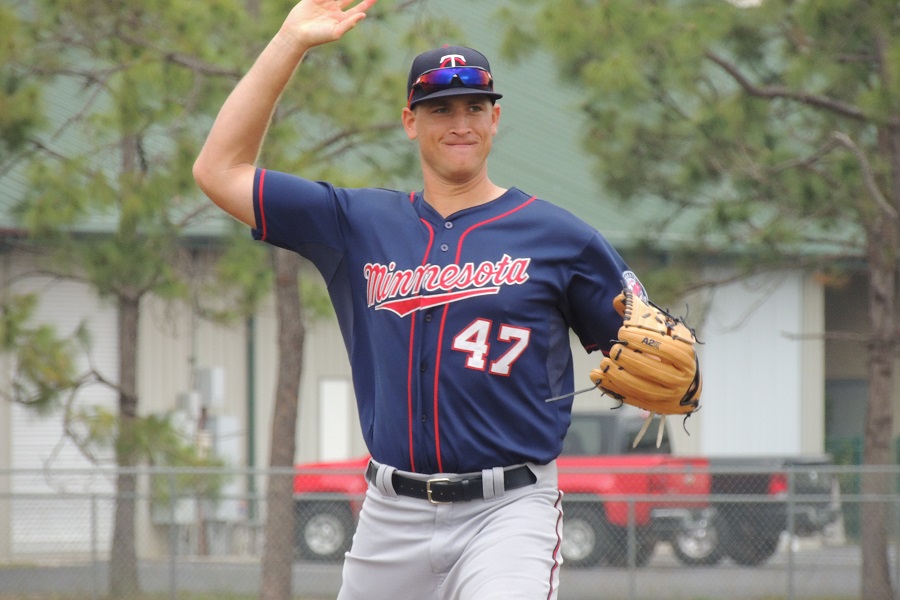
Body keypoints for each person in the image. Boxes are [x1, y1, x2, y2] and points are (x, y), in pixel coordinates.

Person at [193, 1, 647, 598]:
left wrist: (673, 369)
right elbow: (219, 169)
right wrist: (290, 41)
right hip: (389, 514)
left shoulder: (560, 237)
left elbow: (650, 347)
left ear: (495, 118)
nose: (460, 121)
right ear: (411, 120)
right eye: (440, 108)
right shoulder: (357, 224)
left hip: (508, 510)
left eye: (474, 106)